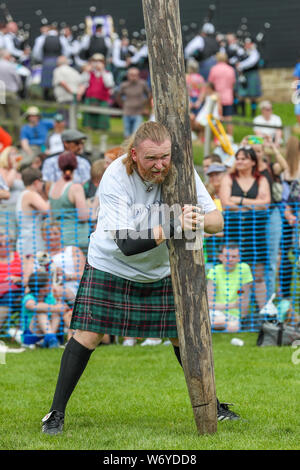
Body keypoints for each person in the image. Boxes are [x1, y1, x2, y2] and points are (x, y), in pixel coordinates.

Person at [41, 121, 240, 436]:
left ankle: (212, 405)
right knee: (88, 334)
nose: (160, 165)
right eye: (151, 158)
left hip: (162, 270)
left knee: (182, 338)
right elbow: (128, 244)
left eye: (165, 156)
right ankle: (55, 414)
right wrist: (176, 224)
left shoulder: (181, 171)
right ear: (134, 154)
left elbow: (217, 223)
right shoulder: (115, 177)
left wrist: (197, 218)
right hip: (112, 264)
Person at [219, 146, 271, 311]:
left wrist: (239, 201)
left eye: (244, 158)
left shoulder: (261, 179)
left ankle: (263, 313)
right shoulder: (229, 178)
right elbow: (226, 203)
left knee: (258, 274)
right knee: (238, 274)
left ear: (253, 162)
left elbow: (266, 204)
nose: (239, 161)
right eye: (238, 158)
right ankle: (242, 312)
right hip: (234, 231)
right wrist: (253, 204)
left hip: (256, 232)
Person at [48, 151, 90, 254]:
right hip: (77, 240)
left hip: (60, 239)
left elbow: (51, 215)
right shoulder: (76, 188)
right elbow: (83, 216)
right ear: (75, 165)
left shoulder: (52, 187)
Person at [207, 242, 253, 331]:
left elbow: (244, 300)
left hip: (234, 315)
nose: (230, 259)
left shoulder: (244, 269)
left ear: (239, 258)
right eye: (227, 256)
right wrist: (232, 305)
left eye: (234, 256)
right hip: (215, 312)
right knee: (217, 320)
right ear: (220, 257)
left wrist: (242, 317)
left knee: (233, 327)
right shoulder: (214, 271)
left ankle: (221, 326)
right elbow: (208, 304)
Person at [21, 271, 69, 348]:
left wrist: (59, 300)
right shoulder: (29, 297)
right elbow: (33, 306)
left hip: (50, 330)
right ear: (42, 289)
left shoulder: (50, 297)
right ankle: (50, 338)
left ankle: (50, 339)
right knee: (40, 312)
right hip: (32, 335)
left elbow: (63, 308)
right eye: (49, 284)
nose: (51, 286)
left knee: (56, 313)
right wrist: (56, 308)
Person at [16, 167, 50, 258]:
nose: (43, 184)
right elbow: (48, 211)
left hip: (27, 240)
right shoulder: (31, 194)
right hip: (31, 243)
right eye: (41, 181)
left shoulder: (24, 194)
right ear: (36, 182)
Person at [79, 54, 115, 131]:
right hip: (90, 98)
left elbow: (109, 84)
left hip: (102, 99)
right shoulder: (89, 73)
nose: (97, 63)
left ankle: (101, 131)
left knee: (101, 120)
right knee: (89, 120)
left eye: (99, 61)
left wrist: (102, 71)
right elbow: (81, 81)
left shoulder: (107, 73)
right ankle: (89, 129)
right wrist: (86, 71)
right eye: (95, 61)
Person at [116, 67, 151, 138]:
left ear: (138, 75)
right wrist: (122, 104)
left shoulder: (142, 84)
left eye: (135, 75)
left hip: (138, 112)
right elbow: (118, 96)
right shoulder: (124, 85)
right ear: (128, 75)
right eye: (131, 75)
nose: (133, 77)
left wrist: (146, 107)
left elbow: (149, 95)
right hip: (127, 112)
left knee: (136, 134)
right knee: (127, 133)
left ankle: (134, 148)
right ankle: (127, 148)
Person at [0, 230, 24, 330]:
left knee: (8, 295)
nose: (4, 245)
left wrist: (18, 279)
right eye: (0, 244)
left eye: (7, 242)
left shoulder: (19, 257)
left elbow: (28, 277)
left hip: (16, 291)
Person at [208, 52, 236, 135]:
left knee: (217, 118)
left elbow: (210, 82)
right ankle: (230, 136)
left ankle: (218, 137)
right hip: (228, 96)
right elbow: (233, 82)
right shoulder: (231, 69)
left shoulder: (214, 69)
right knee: (229, 118)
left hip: (217, 96)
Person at [0, 146, 25, 239]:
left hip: (19, 210)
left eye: (16, 154)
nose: (15, 156)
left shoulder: (18, 173)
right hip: (7, 210)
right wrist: (14, 168)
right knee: (10, 236)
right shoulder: (2, 170)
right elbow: (6, 184)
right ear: (5, 156)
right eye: (12, 154)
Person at [52, 55, 85, 123]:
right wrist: (78, 94)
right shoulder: (74, 71)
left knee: (62, 119)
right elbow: (82, 84)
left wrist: (71, 92)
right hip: (73, 98)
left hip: (63, 98)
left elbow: (62, 83)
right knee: (72, 118)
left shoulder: (58, 70)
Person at [236, 37, 262, 118]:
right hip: (243, 75)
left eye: (249, 44)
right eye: (246, 44)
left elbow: (251, 62)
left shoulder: (255, 52)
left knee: (253, 96)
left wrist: (240, 65)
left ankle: (253, 113)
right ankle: (243, 113)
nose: (247, 45)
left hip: (252, 74)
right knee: (241, 95)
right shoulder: (241, 52)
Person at [0, 49, 22, 142]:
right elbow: (18, 80)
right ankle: (16, 141)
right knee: (15, 118)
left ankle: (3, 140)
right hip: (10, 93)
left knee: (1, 118)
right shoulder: (11, 66)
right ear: (7, 56)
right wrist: (20, 89)